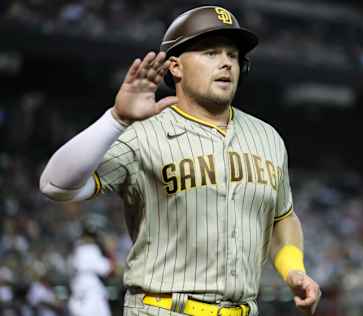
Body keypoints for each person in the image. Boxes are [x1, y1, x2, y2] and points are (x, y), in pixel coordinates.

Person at [39, 5, 321, 316]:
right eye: (211, 53)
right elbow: (55, 185)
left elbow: (282, 216)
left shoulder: (267, 137)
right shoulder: (143, 133)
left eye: (232, 55)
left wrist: (293, 270)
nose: (226, 62)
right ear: (175, 67)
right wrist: (117, 119)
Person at [67, 224, 113, 316]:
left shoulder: (76, 248)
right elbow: (104, 269)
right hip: (91, 287)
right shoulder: (91, 248)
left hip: (78, 284)